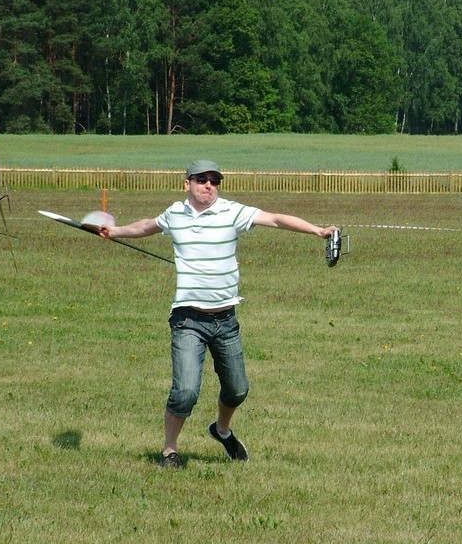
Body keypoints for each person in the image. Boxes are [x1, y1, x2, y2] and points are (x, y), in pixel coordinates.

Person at [99, 160, 338, 469]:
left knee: (237, 390)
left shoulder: (232, 212)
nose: (208, 185)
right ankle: (170, 452)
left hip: (225, 321)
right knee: (185, 392)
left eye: (214, 180)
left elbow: (276, 219)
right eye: (201, 179)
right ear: (187, 184)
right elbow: (147, 226)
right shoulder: (174, 214)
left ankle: (221, 430)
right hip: (187, 319)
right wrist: (115, 231)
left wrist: (318, 230)